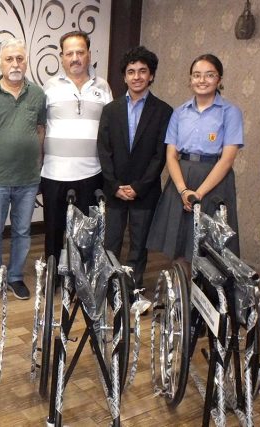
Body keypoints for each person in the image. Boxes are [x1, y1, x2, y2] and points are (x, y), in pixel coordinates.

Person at [147, 53, 242, 262]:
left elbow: (227, 160)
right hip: (181, 179)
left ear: (219, 80)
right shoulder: (179, 112)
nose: (202, 80)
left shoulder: (230, 112)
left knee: (210, 247)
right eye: (196, 75)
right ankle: (181, 290)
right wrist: (183, 190)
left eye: (209, 75)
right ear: (190, 80)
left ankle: (206, 294)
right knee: (179, 243)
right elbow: (171, 155)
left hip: (214, 182)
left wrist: (198, 193)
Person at [0, 38, 46, 300]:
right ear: (0, 63)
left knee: (22, 231)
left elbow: (40, 131)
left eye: (20, 59)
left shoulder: (37, 94)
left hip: (27, 179)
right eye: (9, 59)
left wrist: (38, 166)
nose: (15, 63)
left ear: (26, 62)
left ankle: (15, 277)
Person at [97, 46, 173, 294]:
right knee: (111, 241)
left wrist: (138, 187)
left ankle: (132, 287)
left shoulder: (163, 111)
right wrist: (114, 185)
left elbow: (159, 156)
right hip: (114, 189)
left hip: (146, 190)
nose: (137, 76)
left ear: (151, 75)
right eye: (131, 72)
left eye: (143, 71)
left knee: (139, 244)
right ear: (124, 77)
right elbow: (104, 151)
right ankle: (109, 286)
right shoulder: (110, 110)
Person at [41, 30, 112, 267]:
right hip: (53, 173)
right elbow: (39, 128)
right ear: (61, 57)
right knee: (53, 230)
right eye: (69, 53)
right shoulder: (49, 87)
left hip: (91, 173)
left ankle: (82, 276)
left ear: (89, 54)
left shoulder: (103, 86)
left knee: (85, 232)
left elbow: (110, 129)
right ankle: (53, 278)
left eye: (80, 52)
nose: (75, 58)